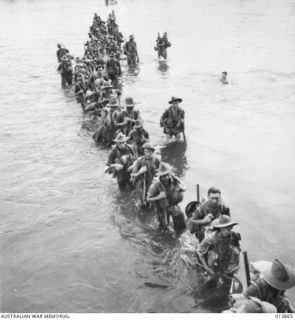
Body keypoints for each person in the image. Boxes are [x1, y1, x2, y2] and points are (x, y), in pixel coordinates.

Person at [197, 215, 241, 289]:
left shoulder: (233, 236)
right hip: (214, 262)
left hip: (226, 261)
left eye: (230, 228)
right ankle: (209, 275)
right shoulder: (211, 238)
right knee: (209, 284)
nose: (228, 230)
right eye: (226, 228)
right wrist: (207, 268)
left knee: (227, 285)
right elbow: (199, 251)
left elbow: (238, 251)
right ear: (220, 228)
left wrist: (234, 267)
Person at [147, 162, 186, 234]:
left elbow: (182, 183)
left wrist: (183, 188)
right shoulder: (154, 185)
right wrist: (159, 197)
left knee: (180, 216)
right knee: (166, 230)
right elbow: (148, 199)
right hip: (162, 208)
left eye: (167, 174)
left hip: (172, 204)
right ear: (160, 176)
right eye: (164, 176)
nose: (167, 177)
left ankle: (179, 233)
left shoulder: (172, 178)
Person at [131, 142, 161, 207]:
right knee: (142, 205)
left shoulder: (156, 160)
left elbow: (162, 171)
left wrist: (158, 173)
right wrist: (140, 172)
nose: (147, 154)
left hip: (153, 185)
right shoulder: (140, 161)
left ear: (152, 152)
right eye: (146, 152)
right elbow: (132, 176)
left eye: (149, 152)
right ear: (144, 152)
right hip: (142, 186)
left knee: (154, 204)